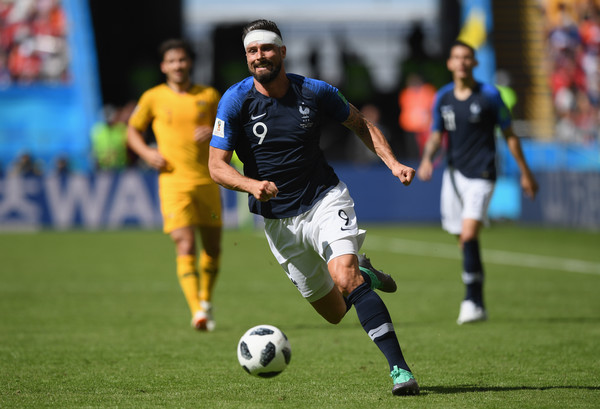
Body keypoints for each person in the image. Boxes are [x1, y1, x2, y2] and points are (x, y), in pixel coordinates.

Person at [208, 19, 419, 396]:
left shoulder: (315, 91)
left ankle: (400, 371)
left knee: (344, 276)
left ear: (283, 51)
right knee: (336, 312)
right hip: (279, 223)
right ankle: (367, 276)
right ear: (247, 57)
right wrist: (251, 184)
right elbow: (216, 166)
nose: (261, 56)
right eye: (253, 51)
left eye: (267, 48)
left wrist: (392, 162)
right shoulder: (235, 101)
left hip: (324, 198)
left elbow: (361, 123)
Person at [416, 40, 539, 325]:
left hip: (482, 174)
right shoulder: (443, 98)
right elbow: (436, 134)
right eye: (456, 57)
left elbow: (510, 135)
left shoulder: (490, 96)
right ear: (449, 63)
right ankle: (479, 302)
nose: (461, 62)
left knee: (469, 235)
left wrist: (525, 172)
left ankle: (471, 301)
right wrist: (426, 160)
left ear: (474, 63)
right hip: (454, 175)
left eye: (466, 57)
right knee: (462, 239)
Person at [127, 39, 222, 331]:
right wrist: (146, 153)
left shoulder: (208, 95)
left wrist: (214, 131)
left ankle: (205, 297)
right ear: (163, 66)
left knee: (213, 248)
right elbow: (132, 130)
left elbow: (228, 127)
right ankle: (198, 312)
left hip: (207, 179)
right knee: (185, 243)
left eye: (182, 60)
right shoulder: (153, 97)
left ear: (189, 63)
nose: (178, 65)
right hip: (173, 183)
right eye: (172, 61)